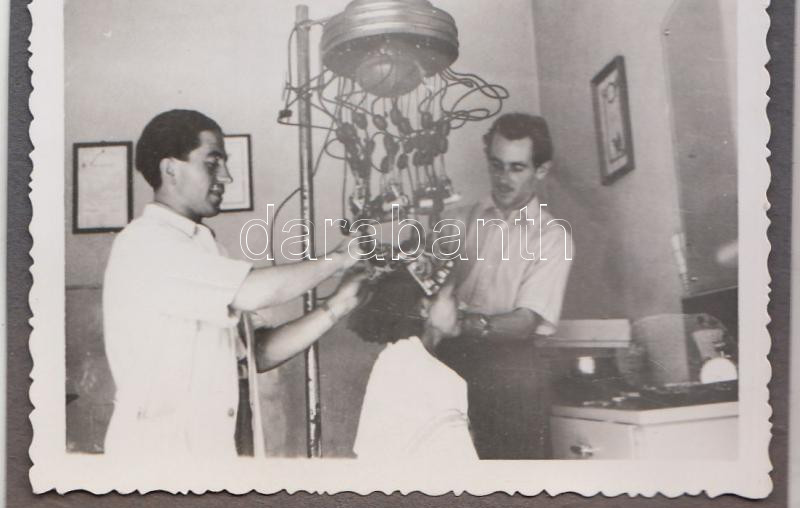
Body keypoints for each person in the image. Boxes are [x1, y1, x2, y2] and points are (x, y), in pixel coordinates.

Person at [103, 109, 367, 462]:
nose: (226, 177)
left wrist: (339, 303)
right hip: (160, 461)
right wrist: (341, 258)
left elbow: (257, 354)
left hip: (212, 456)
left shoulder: (206, 250)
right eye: (212, 164)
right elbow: (252, 291)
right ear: (170, 169)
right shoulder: (146, 243)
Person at [436, 112, 574, 459]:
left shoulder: (552, 237)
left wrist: (463, 324)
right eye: (496, 165)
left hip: (511, 376)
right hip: (446, 363)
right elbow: (426, 289)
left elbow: (525, 321)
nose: (503, 178)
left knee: (510, 480)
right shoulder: (455, 220)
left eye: (517, 168)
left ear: (541, 170)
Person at [349, 268, 478, 462]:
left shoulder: (394, 357)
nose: (463, 305)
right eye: (453, 295)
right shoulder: (431, 374)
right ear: (424, 307)